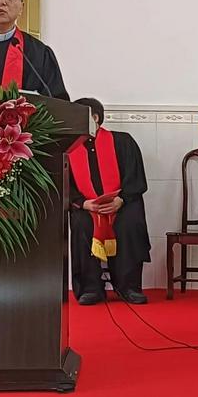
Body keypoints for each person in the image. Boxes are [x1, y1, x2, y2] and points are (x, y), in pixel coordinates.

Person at [68, 98, 152, 305]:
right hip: (87, 206)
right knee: (81, 223)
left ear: (95, 118)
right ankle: (90, 288)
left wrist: (121, 200)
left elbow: (136, 178)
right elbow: (63, 184)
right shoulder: (68, 148)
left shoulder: (122, 141)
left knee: (130, 222)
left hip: (120, 204)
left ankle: (128, 287)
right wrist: (82, 203)